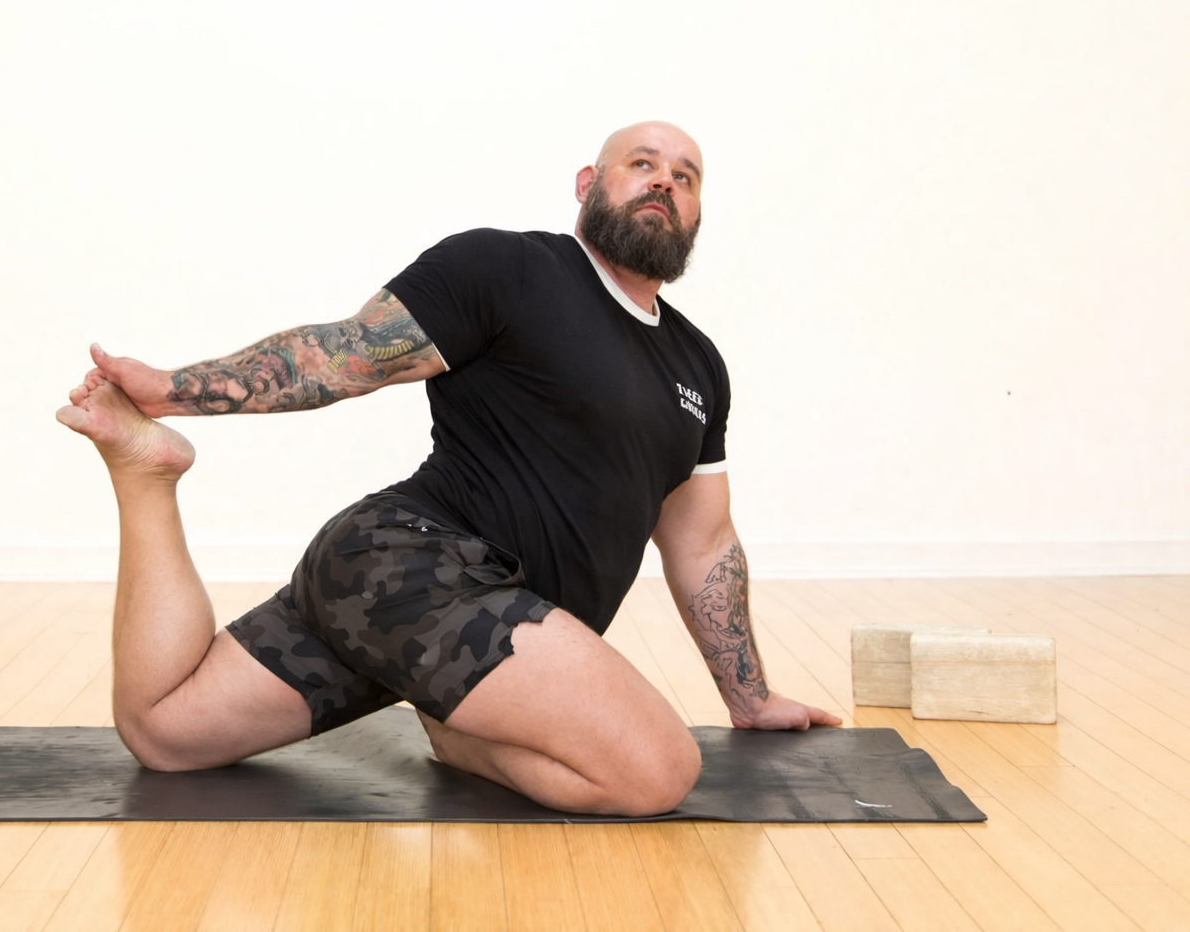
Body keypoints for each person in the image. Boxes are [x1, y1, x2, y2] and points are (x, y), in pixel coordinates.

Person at [56, 121, 841, 818]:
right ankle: (454, 725)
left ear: (696, 215)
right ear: (588, 184)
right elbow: (347, 355)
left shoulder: (698, 365)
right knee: (657, 771)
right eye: (642, 163)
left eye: (685, 176)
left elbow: (702, 544)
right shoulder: (507, 269)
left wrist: (750, 698)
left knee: (166, 734)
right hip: (417, 569)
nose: (664, 181)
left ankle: (146, 473)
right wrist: (170, 391)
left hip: (440, 618)